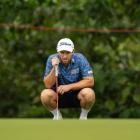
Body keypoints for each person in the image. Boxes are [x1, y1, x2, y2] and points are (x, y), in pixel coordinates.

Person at [40, 38, 95, 120]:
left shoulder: (80, 59)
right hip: (59, 97)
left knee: (89, 93)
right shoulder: (52, 59)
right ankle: (57, 116)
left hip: (78, 95)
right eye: (62, 52)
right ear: (57, 51)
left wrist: (69, 87)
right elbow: (47, 85)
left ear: (73, 51)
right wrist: (54, 68)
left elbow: (90, 81)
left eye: (68, 53)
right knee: (45, 94)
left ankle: (83, 117)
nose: (65, 56)